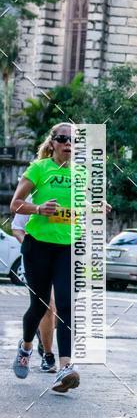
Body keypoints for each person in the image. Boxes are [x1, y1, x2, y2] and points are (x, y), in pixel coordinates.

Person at [10, 123, 81, 393]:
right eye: (63, 139)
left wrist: (99, 206)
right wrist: (39, 208)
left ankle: (65, 367)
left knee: (65, 305)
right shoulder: (39, 169)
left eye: (73, 140)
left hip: (66, 247)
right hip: (37, 246)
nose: (68, 144)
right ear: (52, 143)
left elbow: (84, 207)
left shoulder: (82, 174)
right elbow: (15, 204)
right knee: (39, 306)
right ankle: (27, 346)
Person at [11, 203, 57, 372]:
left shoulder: (71, 197)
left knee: (60, 310)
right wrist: (34, 250)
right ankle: (47, 355)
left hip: (61, 257)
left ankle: (40, 332)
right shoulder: (34, 197)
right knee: (47, 306)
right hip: (36, 260)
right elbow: (16, 228)